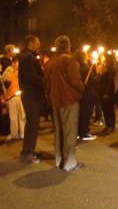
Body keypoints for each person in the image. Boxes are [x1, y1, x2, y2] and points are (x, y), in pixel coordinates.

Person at [44, 36, 84, 172]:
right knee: (69, 131)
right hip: (69, 100)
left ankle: (58, 159)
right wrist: (81, 87)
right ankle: (69, 162)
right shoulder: (69, 60)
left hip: (55, 100)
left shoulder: (50, 62)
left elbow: (46, 83)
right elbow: (74, 81)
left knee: (58, 131)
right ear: (67, 46)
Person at [18, 35, 44, 164]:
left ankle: (29, 151)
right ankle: (28, 153)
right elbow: (31, 76)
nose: (39, 45)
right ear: (30, 43)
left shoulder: (26, 57)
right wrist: (44, 80)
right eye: (37, 42)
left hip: (29, 94)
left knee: (32, 123)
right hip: (31, 95)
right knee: (33, 124)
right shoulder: (28, 57)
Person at [2, 57, 26, 140]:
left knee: (22, 115)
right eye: (17, 63)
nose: (18, 65)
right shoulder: (8, 71)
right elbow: (3, 81)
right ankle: (14, 133)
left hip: (20, 96)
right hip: (11, 96)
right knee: (13, 116)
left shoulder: (21, 71)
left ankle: (22, 132)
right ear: (13, 63)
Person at [74, 51, 96, 141]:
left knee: (79, 113)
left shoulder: (75, 66)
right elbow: (91, 81)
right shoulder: (86, 68)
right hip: (86, 93)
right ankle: (84, 132)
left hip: (77, 92)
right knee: (86, 113)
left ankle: (78, 131)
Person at [98, 54, 117, 135]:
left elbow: (109, 82)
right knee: (105, 110)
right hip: (103, 92)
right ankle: (107, 126)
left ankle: (110, 126)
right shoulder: (105, 69)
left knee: (109, 110)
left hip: (108, 94)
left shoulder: (111, 70)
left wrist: (106, 92)